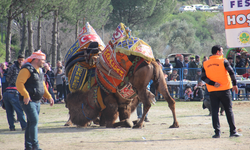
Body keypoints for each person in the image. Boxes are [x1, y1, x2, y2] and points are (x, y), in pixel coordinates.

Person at [16, 50, 54, 150]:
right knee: (34, 121)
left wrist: (49, 96)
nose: (44, 62)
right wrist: (25, 94)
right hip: (28, 101)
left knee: (30, 123)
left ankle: (28, 146)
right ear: (36, 60)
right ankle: (35, 146)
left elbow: (42, 86)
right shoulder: (26, 69)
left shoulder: (39, 70)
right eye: (42, 60)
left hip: (37, 101)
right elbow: (19, 83)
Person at [201, 45, 241, 138]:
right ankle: (233, 131)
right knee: (228, 110)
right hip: (225, 89)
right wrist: (234, 84)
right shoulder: (224, 61)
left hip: (213, 90)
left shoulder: (205, 63)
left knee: (214, 111)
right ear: (218, 52)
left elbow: (203, 77)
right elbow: (231, 72)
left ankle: (217, 133)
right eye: (222, 51)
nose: (222, 53)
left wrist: (213, 83)